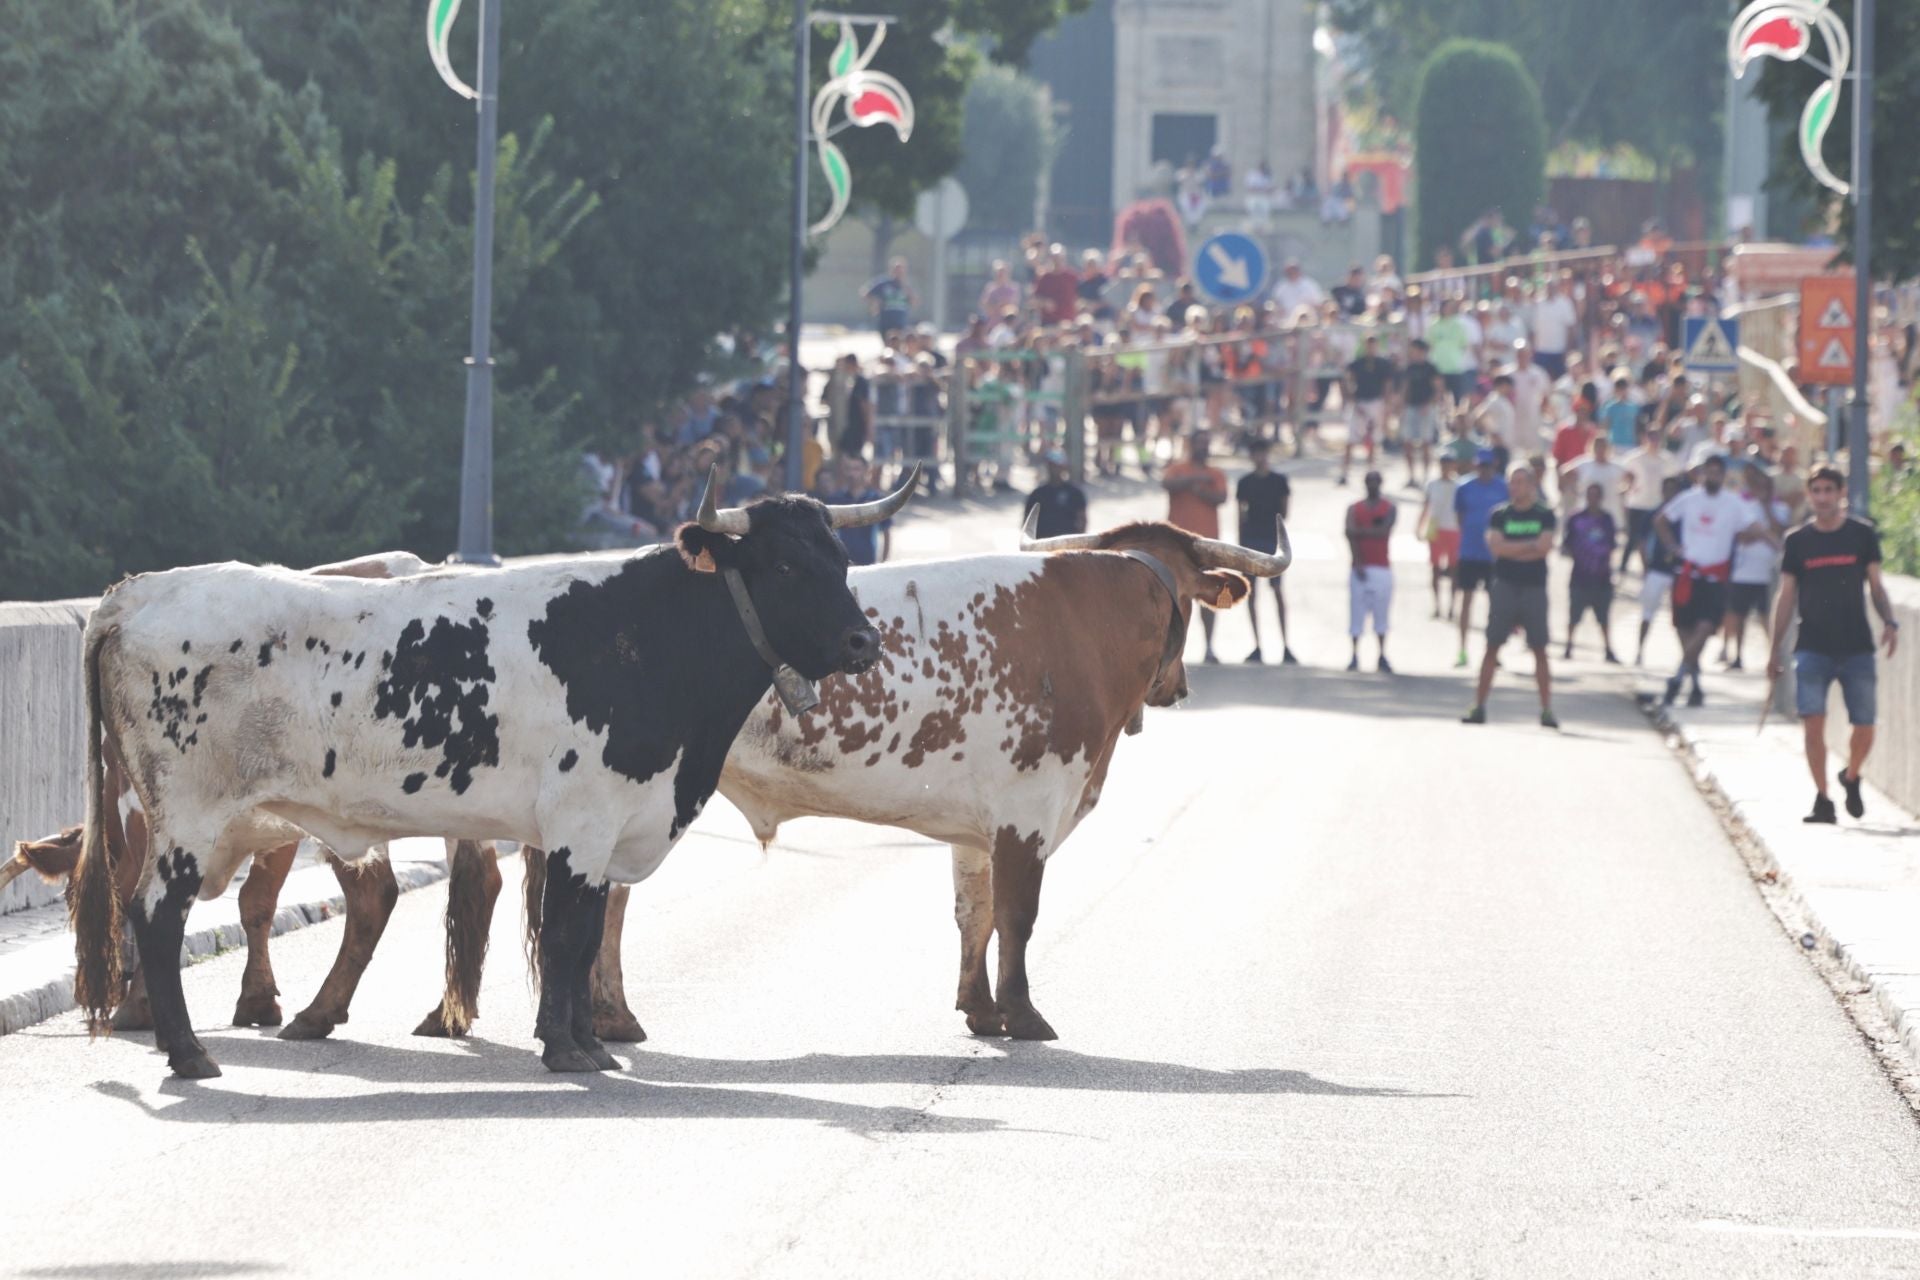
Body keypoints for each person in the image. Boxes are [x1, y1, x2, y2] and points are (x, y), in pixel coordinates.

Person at [1768, 466, 1902, 823]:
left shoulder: (1861, 535)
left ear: (1841, 493)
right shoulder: (1797, 542)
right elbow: (1785, 597)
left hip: (1857, 646)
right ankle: (1823, 798)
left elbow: (1876, 587)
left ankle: (1851, 775)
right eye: (1817, 490)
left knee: (1865, 725)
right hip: (1811, 646)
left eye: (1829, 490)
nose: (1823, 497)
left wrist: (1889, 621)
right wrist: (1774, 650)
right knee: (1813, 724)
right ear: (1810, 495)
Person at [1652, 455, 1763, 707]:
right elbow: (1660, 520)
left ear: (1723, 476)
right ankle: (1696, 686)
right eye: (1709, 472)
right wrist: (1672, 546)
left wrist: (1750, 538)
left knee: (1705, 629)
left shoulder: (1733, 503)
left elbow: (1756, 528)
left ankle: (1678, 677)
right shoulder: (1689, 498)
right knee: (1684, 630)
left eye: (1717, 472)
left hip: (1715, 578)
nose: (1713, 477)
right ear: (1702, 474)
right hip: (1687, 574)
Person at [1462, 466, 1559, 728]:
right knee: (1492, 646)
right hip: (1504, 586)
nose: (1514, 487)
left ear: (1531, 485)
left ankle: (1546, 709)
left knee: (1539, 648)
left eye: (1519, 482)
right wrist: (1529, 545)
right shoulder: (1500, 514)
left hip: (1534, 588)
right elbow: (1496, 548)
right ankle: (1479, 706)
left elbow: (1544, 549)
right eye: (1511, 482)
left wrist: (1514, 548)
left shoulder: (1545, 514)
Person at [1163, 431, 1229, 663]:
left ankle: (1209, 646)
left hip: (1207, 545)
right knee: (1176, 596)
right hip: (1177, 547)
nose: (1203, 447)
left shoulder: (1216, 473)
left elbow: (1221, 497)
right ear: (1190, 445)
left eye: (1206, 443)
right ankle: (1174, 648)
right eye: (1199, 443)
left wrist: (1200, 489)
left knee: (1209, 593)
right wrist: (1193, 481)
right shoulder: (1178, 469)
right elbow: (1167, 483)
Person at [1719, 466, 1787, 671]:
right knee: (1738, 614)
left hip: (1769, 573)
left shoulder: (1781, 508)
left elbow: (1781, 531)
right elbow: (1741, 537)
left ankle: (1773, 656)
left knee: (1768, 616)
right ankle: (1737, 655)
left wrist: (1766, 515)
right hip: (1744, 571)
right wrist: (1765, 535)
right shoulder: (1744, 506)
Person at [1236, 438, 1296, 664]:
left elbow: (1284, 513)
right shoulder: (1245, 483)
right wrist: (1240, 547)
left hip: (1271, 541)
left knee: (1278, 591)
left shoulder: (1279, 481)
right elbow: (1240, 515)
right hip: (1251, 541)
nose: (1259, 457)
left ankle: (1285, 644)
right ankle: (1257, 644)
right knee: (1252, 595)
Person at [1451, 449, 1510, 667]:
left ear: (1493, 466)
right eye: (1480, 466)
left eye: (1487, 466)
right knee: (1466, 600)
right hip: (1469, 552)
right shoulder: (1464, 487)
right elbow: (1460, 516)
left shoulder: (1502, 487)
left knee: (1495, 605)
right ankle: (1462, 650)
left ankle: (1493, 651)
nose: (1484, 470)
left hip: (1494, 556)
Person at [1345, 471, 1396, 673]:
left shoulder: (1389, 508)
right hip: (1359, 567)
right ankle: (1354, 654)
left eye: (1376, 481)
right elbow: (1349, 533)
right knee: (1356, 613)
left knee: (1381, 614)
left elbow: (1383, 531)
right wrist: (1357, 560)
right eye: (1369, 482)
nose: (1372, 485)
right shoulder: (1354, 508)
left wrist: (1361, 531)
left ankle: (1381, 654)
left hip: (1382, 566)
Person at [1562, 482, 1620, 662]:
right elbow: (1566, 545)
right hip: (1580, 575)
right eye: (1590, 495)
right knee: (1574, 615)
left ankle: (1608, 649)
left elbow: (1611, 544)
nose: (1592, 499)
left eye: (1596, 495)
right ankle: (1568, 646)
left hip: (1602, 577)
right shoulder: (1576, 518)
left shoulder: (1607, 519)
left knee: (1603, 617)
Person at [1635, 474, 1687, 665]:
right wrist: (1645, 566)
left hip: (1678, 571)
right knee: (1647, 613)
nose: (1670, 494)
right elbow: (1641, 541)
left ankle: (1685, 658)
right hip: (1656, 568)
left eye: (1674, 490)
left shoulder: (1684, 515)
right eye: (1668, 489)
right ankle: (1639, 651)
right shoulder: (1652, 514)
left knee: (1681, 617)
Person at [1340, 334, 1396, 486]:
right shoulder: (1357, 363)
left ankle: (1370, 473)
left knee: (1372, 439)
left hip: (1375, 402)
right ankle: (1344, 473)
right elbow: (1347, 380)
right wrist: (1351, 398)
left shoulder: (1383, 364)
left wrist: (1386, 405)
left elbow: (1387, 385)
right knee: (1351, 439)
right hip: (1359, 402)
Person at [816, 457, 893, 565]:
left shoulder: (876, 499)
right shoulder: (835, 499)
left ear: (866, 470)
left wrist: (884, 562)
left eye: (857, 469)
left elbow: (886, 532)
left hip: (869, 564)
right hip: (842, 565)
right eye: (848, 469)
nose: (852, 473)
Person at [1619, 424, 1673, 574]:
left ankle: (1649, 568)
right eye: (1651, 436)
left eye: (1657, 437)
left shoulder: (1666, 459)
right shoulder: (1633, 457)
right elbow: (1624, 474)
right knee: (1633, 537)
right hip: (1636, 502)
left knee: (1651, 538)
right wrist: (1628, 486)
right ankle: (1623, 566)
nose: (1654, 441)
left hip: (1656, 504)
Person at [1419, 455, 1462, 620]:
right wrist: (1419, 526)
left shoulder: (1459, 485)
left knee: (1454, 569)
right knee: (1435, 569)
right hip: (1435, 527)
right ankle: (1437, 606)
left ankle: (1452, 607)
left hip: (1454, 528)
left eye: (1448, 464)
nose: (1445, 467)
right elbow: (1426, 505)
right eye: (1443, 464)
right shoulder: (1432, 484)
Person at [1400, 338, 1445, 489]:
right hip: (1411, 407)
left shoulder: (1430, 368)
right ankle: (1411, 476)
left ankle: (1425, 475)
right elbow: (1405, 387)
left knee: (1426, 442)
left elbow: (1438, 388)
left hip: (1426, 407)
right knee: (1407, 442)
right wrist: (1401, 406)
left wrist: (1430, 404)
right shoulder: (1409, 367)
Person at [1023, 449, 1088, 538]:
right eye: (1051, 465)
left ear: (1064, 467)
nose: (1054, 469)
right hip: (1042, 544)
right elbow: (1027, 522)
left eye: (1057, 466)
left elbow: (1082, 520)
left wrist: (1079, 541)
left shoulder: (1075, 493)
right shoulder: (1037, 493)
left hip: (1068, 544)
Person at [862, 257, 917, 334]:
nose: (899, 272)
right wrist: (875, 302)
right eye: (896, 269)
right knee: (887, 344)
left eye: (901, 269)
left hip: (900, 321)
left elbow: (914, 302)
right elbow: (865, 293)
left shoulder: (906, 285)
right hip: (885, 320)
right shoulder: (883, 283)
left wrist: (908, 291)